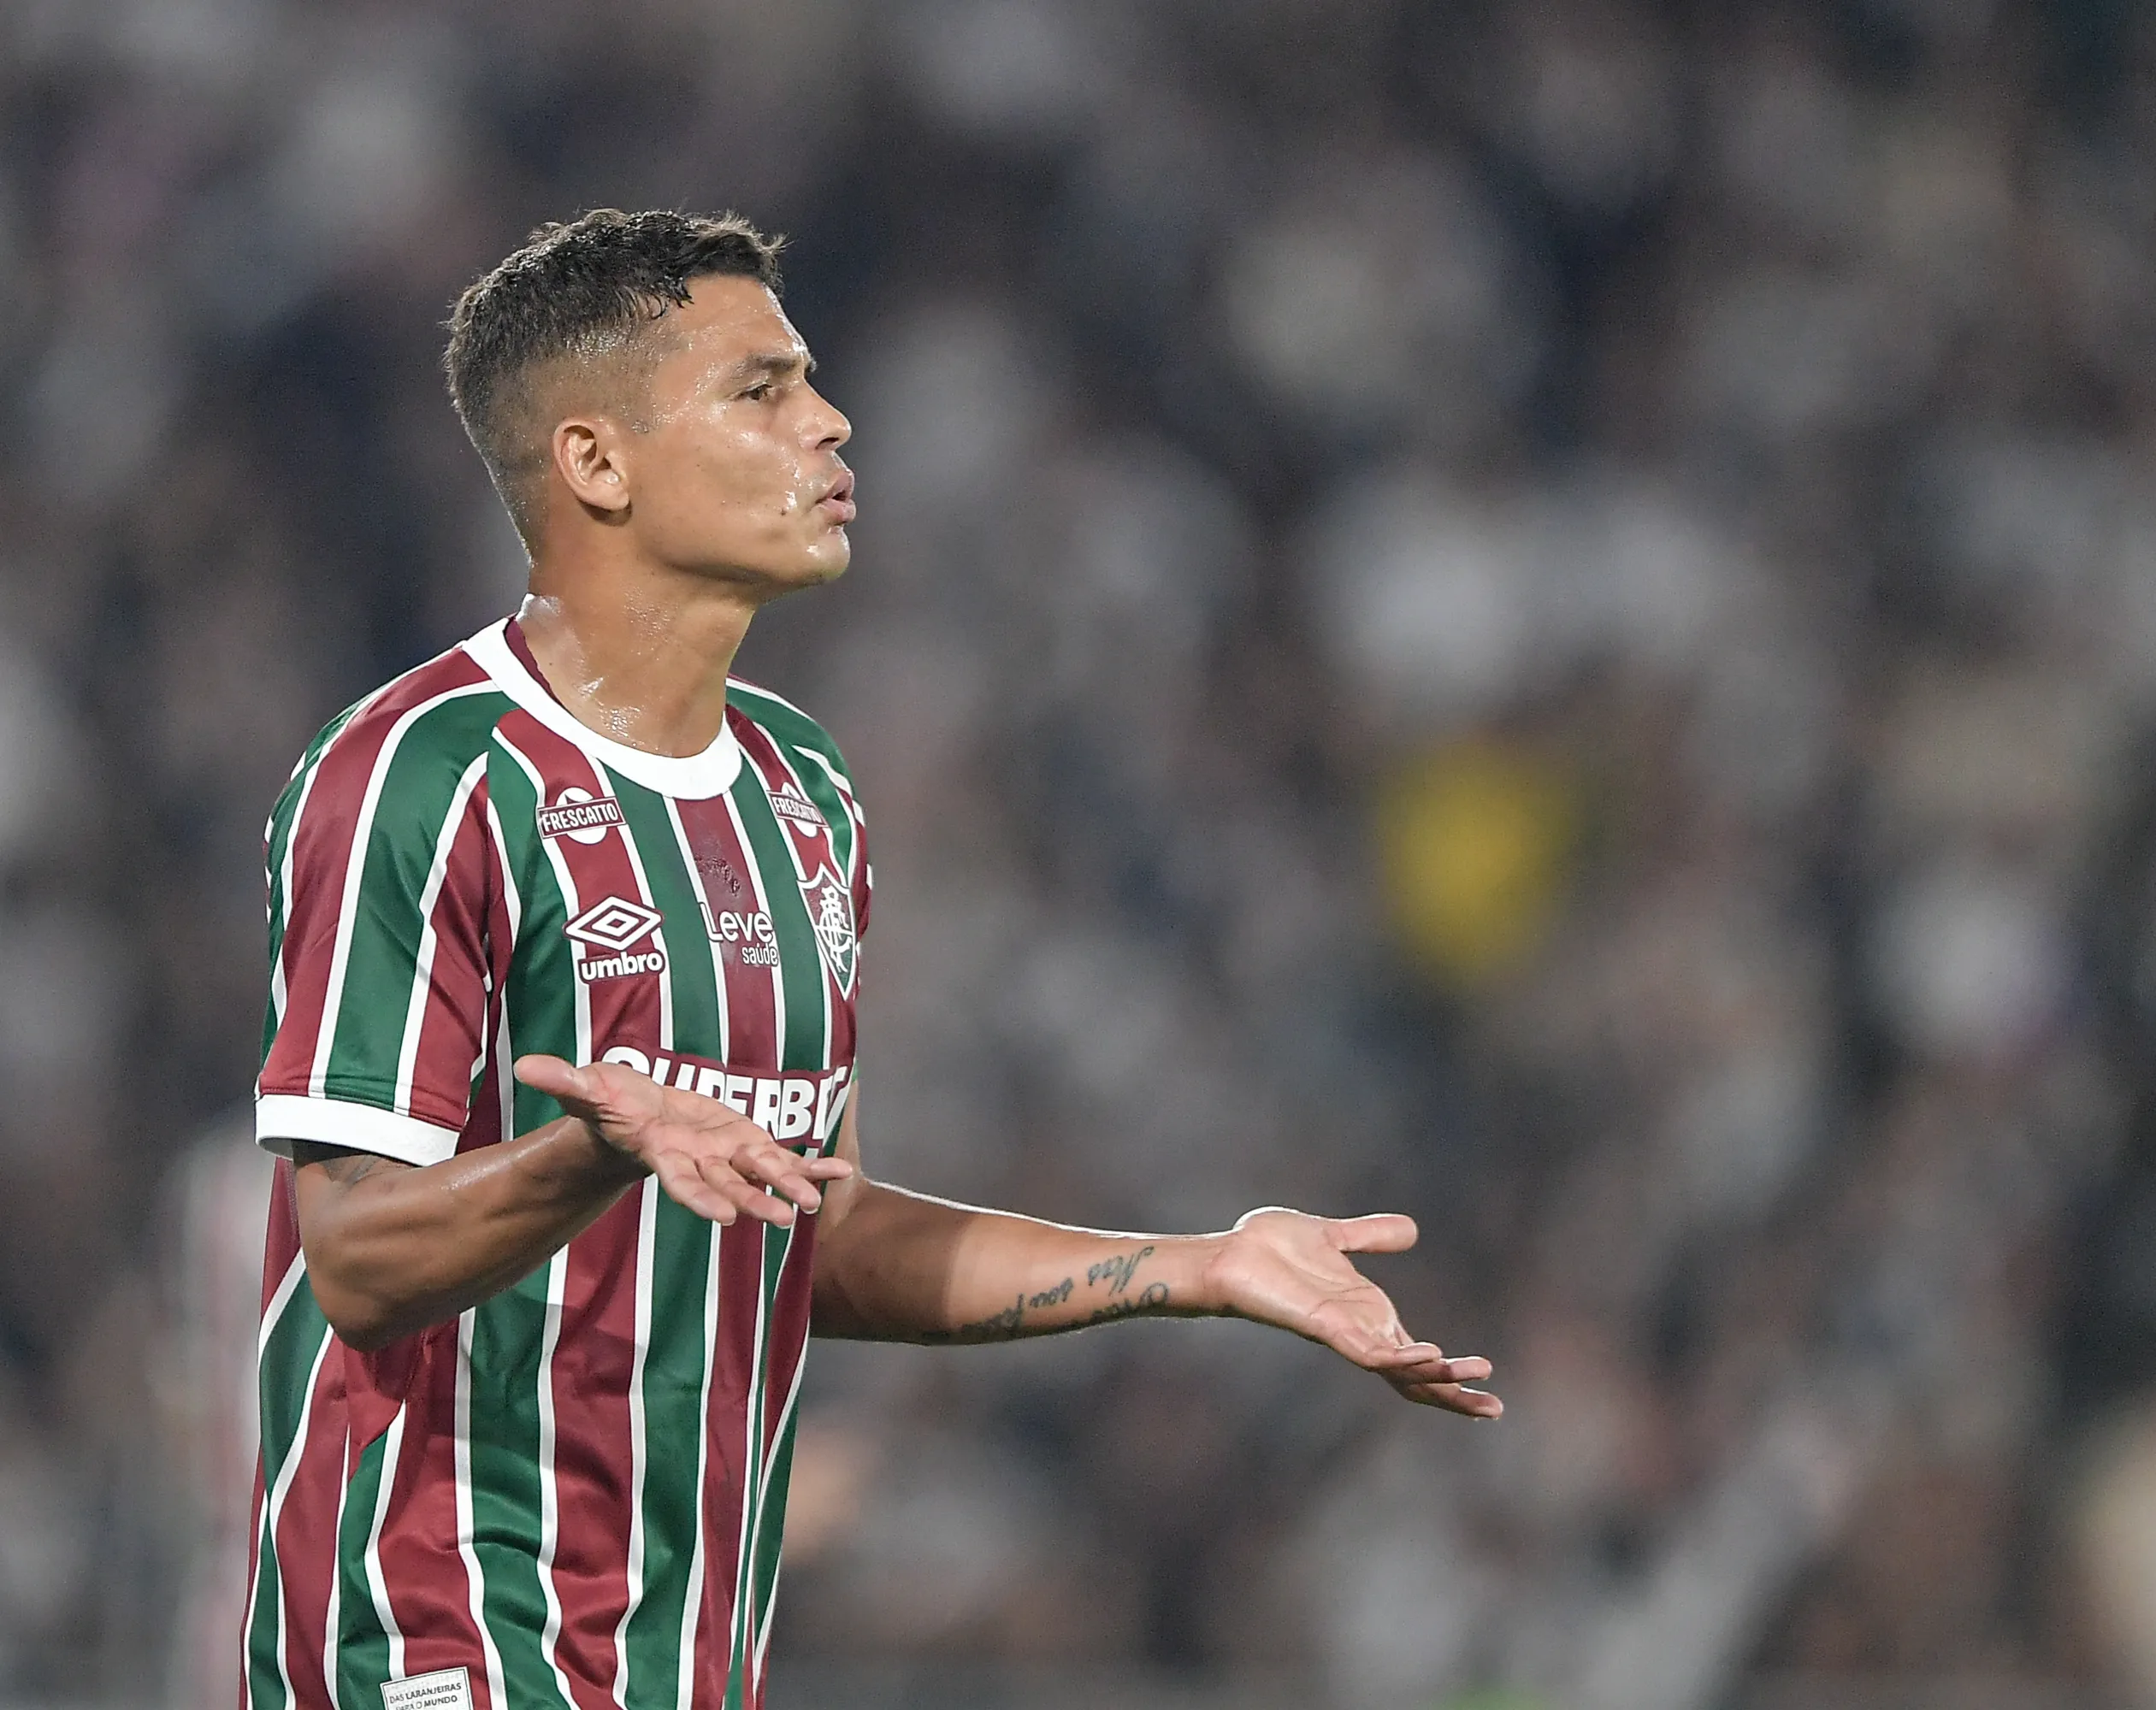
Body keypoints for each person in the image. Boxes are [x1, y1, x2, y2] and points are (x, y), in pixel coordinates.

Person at [242, 209, 1500, 1710]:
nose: (831, 422)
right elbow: (357, 1255)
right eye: (760, 391)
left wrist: (1198, 1266)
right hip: (433, 1645)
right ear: (596, 464)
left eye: (811, 383)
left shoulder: (805, 794)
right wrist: (594, 1156)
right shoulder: (421, 774)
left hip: (684, 1661)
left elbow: (812, 1238)